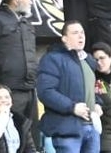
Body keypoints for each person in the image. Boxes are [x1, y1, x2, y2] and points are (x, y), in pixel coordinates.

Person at [35, 22, 100, 153]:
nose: (81, 36)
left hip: (92, 128)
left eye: (82, 33)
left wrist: (98, 103)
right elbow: (45, 92)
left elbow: (94, 88)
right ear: (64, 38)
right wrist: (72, 107)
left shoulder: (89, 61)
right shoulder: (52, 59)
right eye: (75, 33)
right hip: (66, 130)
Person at [0, 86, 33, 153]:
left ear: (11, 101)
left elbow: (30, 148)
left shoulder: (21, 121)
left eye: (7, 97)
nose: (4, 100)